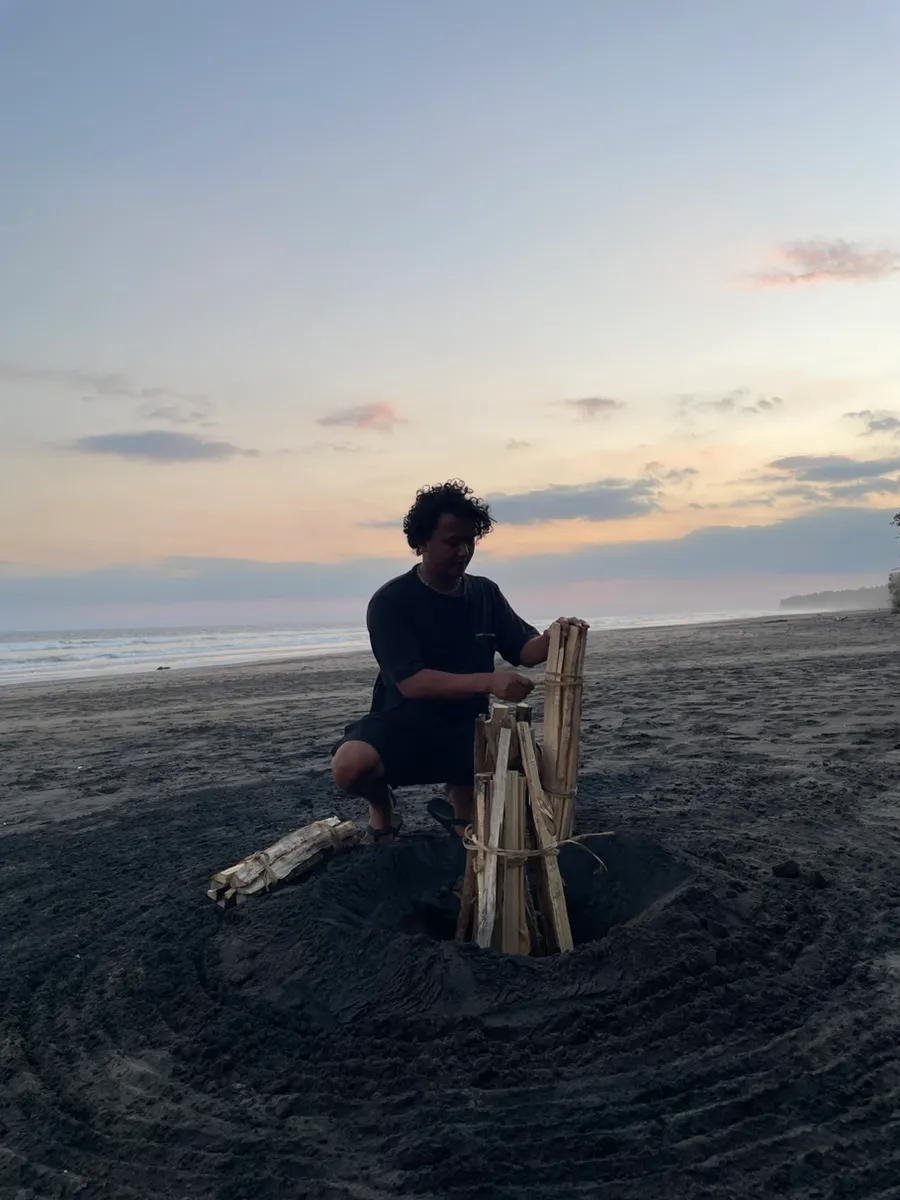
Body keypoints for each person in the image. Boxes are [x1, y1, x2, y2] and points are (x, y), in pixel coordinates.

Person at [330, 480, 589, 842]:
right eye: (453, 542)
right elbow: (412, 682)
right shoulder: (391, 601)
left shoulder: (484, 593)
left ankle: (460, 796)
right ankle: (381, 807)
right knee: (349, 766)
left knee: (514, 776)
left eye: (470, 541)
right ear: (421, 542)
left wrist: (554, 637)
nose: (464, 552)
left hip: (467, 726)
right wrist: (489, 681)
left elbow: (524, 650)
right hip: (401, 721)